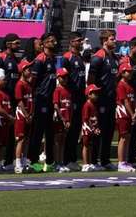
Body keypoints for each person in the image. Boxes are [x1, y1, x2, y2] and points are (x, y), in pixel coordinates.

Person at [88, 30, 119, 170]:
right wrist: (93, 99)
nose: (115, 41)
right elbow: (91, 81)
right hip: (100, 101)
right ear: (105, 41)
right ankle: (94, 161)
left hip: (111, 100)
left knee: (109, 131)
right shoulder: (98, 57)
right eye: (112, 39)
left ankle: (105, 161)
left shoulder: (115, 57)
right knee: (98, 131)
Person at [0, 34, 21, 170]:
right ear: (8, 44)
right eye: (16, 43)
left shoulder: (16, 59)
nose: (18, 45)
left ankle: (8, 162)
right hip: (2, 100)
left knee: (10, 132)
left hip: (13, 99)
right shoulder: (0, 58)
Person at [29, 33, 58, 169]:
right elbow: (33, 82)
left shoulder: (52, 59)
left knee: (50, 132)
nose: (55, 43)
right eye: (51, 41)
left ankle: (49, 162)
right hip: (41, 99)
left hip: (50, 100)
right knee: (37, 132)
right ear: (44, 43)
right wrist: (35, 98)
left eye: (55, 40)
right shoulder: (40, 59)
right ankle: (33, 162)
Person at [61, 32, 87, 170]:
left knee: (76, 129)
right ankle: (65, 160)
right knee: (69, 130)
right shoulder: (67, 57)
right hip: (71, 97)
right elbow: (62, 78)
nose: (80, 43)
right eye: (78, 40)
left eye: (81, 40)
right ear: (71, 42)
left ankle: (72, 159)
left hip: (80, 96)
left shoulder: (80, 57)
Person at [14, 58, 35, 173]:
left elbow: (31, 100)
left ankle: (24, 161)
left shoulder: (28, 84)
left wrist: (31, 114)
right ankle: (17, 164)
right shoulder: (20, 84)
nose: (30, 71)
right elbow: (20, 101)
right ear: (22, 71)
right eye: (28, 69)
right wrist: (27, 115)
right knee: (21, 139)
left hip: (28, 115)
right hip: (22, 115)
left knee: (26, 140)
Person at [115, 62, 136, 172]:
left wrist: (135, 110)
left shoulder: (129, 84)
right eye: (128, 71)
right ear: (122, 72)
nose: (130, 73)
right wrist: (133, 114)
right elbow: (125, 102)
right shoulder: (121, 85)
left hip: (129, 113)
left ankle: (125, 160)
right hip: (123, 113)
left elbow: (132, 100)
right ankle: (121, 163)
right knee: (123, 138)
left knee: (127, 137)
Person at [52, 68, 72, 172]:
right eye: (63, 77)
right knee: (57, 140)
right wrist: (63, 118)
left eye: (66, 77)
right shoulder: (57, 90)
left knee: (63, 141)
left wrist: (69, 119)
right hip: (59, 118)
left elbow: (69, 106)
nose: (65, 79)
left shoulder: (68, 90)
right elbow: (56, 105)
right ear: (58, 78)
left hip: (67, 118)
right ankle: (57, 163)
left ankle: (62, 162)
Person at [81, 85, 103, 171]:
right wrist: (93, 128)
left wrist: (96, 128)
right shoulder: (87, 105)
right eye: (95, 93)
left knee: (90, 145)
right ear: (89, 94)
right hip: (87, 128)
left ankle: (89, 163)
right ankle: (85, 164)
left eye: (97, 93)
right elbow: (86, 119)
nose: (97, 95)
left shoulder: (94, 105)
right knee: (86, 145)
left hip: (92, 128)